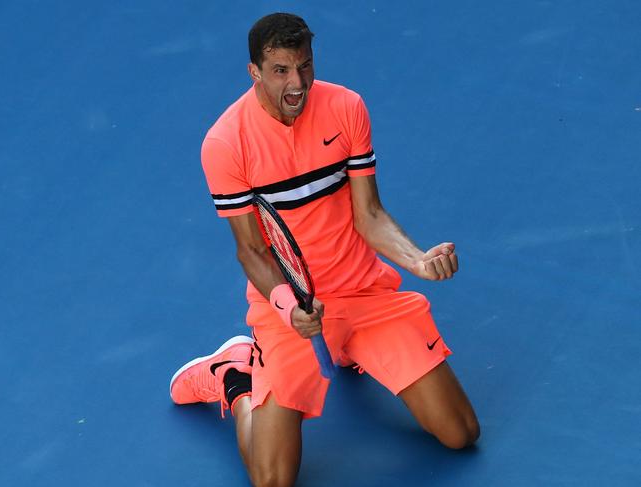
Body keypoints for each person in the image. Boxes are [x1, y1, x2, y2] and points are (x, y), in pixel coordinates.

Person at [169, 12, 479, 487]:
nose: (298, 84)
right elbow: (251, 251)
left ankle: (354, 346)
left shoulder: (347, 107)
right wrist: (289, 307)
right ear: (254, 72)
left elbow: (369, 215)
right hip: (292, 309)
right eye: (281, 72)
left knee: (461, 434)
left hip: (364, 292)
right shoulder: (226, 144)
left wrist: (417, 260)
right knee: (272, 480)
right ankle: (234, 376)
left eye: (305, 67)